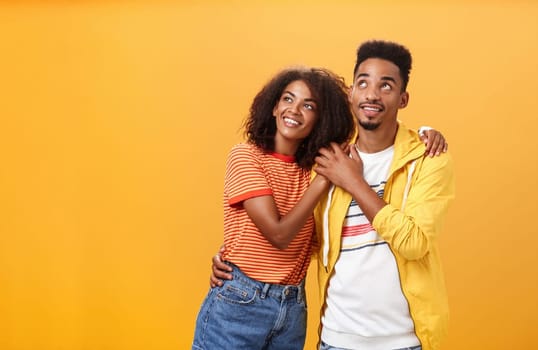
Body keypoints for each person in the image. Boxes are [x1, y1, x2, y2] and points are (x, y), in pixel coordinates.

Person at [211, 40, 454, 350]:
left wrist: (354, 182)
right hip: (336, 338)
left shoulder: (427, 157)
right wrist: (233, 258)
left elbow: (414, 243)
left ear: (403, 98)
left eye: (386, 86)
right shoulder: (324, 160)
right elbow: (296, 235)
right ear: (351, 93)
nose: (371, 94)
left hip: (403, 340)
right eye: (363, 83)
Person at [192, 67, 355, 350]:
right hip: (239, 303)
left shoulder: (313, 170)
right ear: (274, 106)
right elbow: (278, 235)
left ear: (321, 118)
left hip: (292, 307)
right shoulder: (246, 156)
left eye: (308, 105)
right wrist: (323, 182)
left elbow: (373, 133)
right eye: (288, 99)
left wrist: (426, 136)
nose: (294, 110)